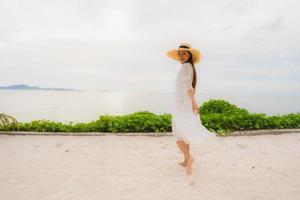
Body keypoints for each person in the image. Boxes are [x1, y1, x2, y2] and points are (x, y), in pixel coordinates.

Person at [166, 42, 217, 176]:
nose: (181, 56)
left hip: (182, 104)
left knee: (178, 134)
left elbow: (189, 87)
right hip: (183, 103)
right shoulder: (188, 67)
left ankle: (188, 158)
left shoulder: (186, 67)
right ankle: (186, 159)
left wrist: (194, 102)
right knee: (184, 132)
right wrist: (192, 102)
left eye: (184, 53)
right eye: (180, 53)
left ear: (189, 55)